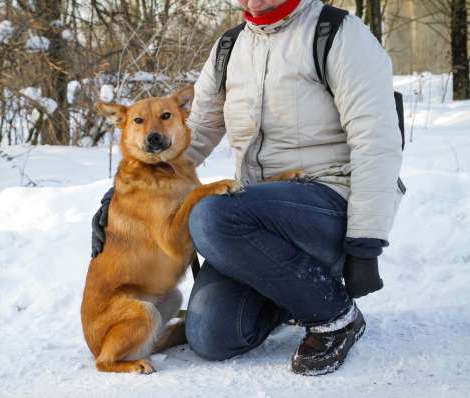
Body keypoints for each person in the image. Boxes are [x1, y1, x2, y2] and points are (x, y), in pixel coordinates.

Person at [91, 0, 404, 375]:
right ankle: (291, 295)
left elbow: (377, 142)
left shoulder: (338, 34)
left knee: (209, 214)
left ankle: (334, 316)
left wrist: (366, 242)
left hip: (328, 201)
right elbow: (193, 133)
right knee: (210, 335)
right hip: (256, 216)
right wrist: (129, 189)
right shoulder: (229, 48)